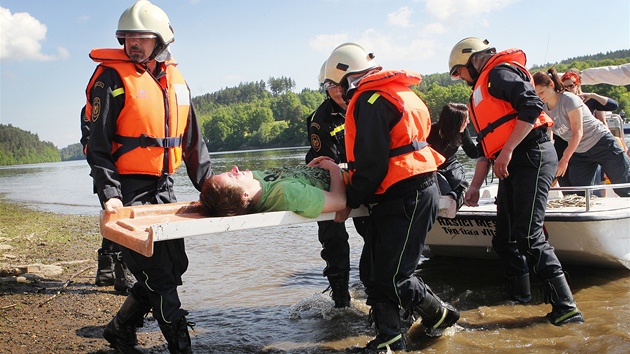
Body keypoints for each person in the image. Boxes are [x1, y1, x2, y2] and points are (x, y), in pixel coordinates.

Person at [82, 1, 213, 352]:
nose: (133, 44)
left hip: (164, 187)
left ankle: (120, 328)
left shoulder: (177, 82)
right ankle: (181, 347)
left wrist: (212, 188)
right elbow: (97, 147)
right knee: (159, 277)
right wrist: (110, 194)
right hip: (127, 191)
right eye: (127, 37)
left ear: (162, 41)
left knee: (175, 267)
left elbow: (193, 143)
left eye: (142, 37)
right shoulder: (110, 79)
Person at [328, 42, 459, 352]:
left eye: (332, 83)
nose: (334, 90)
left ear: (344, 75)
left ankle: (441, 314)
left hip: (407, 194)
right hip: (403, 192)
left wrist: (349, 198)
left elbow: (371, 163)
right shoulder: (396, 92)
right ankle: (390, 339)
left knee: (393, 278)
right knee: (373, 273)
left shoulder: (369, 100)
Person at [448, 37, 583, 326]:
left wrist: (507, 151)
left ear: (472, 60)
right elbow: (487, 151)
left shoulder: (498, 74)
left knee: (529, 236)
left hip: (531, 155)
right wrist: (474, 187)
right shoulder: (483, 90)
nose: (460, 79)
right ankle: (519, 297)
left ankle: (567, 307)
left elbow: (532, 106)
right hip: (510, 162)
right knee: (505, 239)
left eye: (459, 72)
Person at [305, 61, 367, 308]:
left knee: (373, 234)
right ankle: (340, 296)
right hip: (330, 179)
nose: (339, 91)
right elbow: (330, 166)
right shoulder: (320, 120)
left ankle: (377, 290)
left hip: (362, 177)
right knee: (333, 240)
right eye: (332, 86)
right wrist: (344, 201)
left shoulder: (366, 106)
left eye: (342, 84)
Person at [533, 67, 630, 197]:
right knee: (580, 193)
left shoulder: (569, 100)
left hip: (601, 142)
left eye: (541, 92)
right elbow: (549, 135)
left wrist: (565, 160)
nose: (540, 97)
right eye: (536, 94)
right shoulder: (544, 108)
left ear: (551, 85)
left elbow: (578, 132)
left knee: (623, 185)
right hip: (580, 151)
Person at [199, 156, 346, 217]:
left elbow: (289, 179)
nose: (235, 168)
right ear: (244, 195)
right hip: (350, 176)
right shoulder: (287, 194)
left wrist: (307, 169)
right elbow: (339, 201)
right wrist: (333, 168)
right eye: (232, 176)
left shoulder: (254, 179)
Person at [427, 103, 479, 209]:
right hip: (433, 169)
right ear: (456, 122)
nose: (468, 123)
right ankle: (447, 203)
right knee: (446, 193)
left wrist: (486, 142)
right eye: (466, 120)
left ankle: (457, 201)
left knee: (461, 187)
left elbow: (473, 153)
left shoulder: (462, 132)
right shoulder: (430, 132)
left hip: (451, 164)